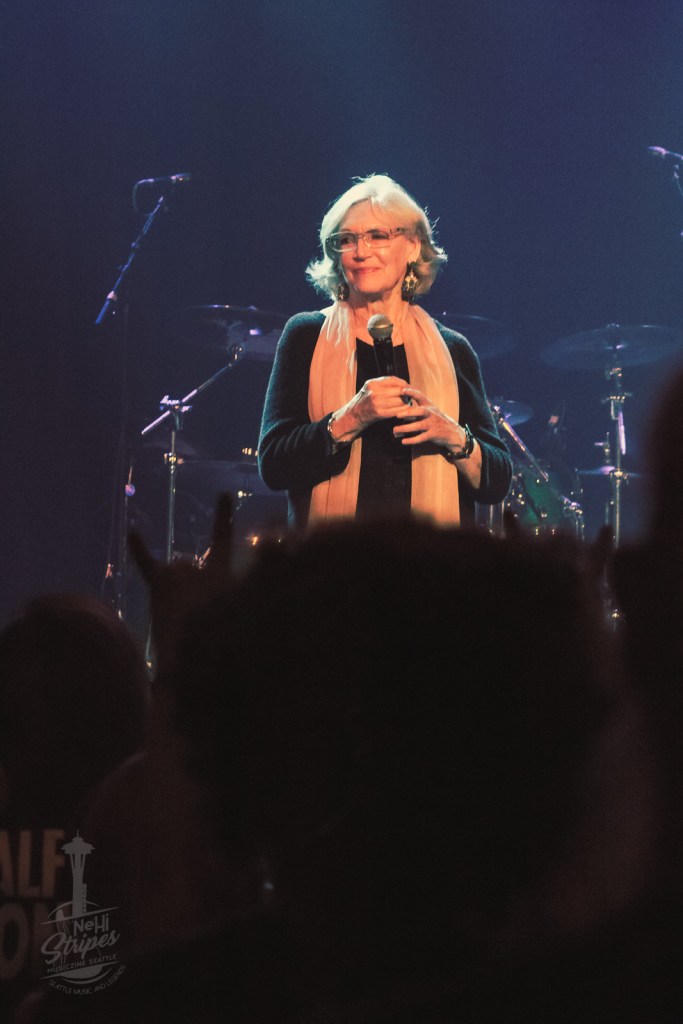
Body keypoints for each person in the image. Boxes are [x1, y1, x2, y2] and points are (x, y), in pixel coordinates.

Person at [258, 174, 512, 528]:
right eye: (346, 239)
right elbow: (273, 465)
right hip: (331, 558)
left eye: (377, 236)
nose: (361, 252)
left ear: (413, 247)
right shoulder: (306, 335)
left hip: (431, 556)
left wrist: (453, 435)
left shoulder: (454, 349)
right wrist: (350, 419)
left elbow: (497, 483)